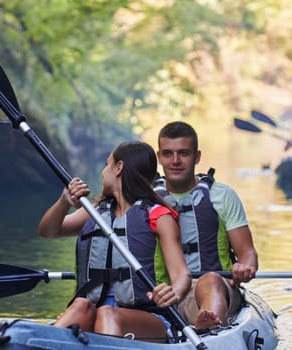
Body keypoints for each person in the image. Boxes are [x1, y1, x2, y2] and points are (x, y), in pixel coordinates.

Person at [38, 140, 191, 343]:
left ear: (118, 168)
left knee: (107, 313)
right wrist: (64, 202)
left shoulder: (158, 216)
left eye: (106, 164)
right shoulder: (96, 212)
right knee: (80, 305)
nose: (103, 172)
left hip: (150, 318)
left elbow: (182, 275)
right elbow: (48, 231)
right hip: (96, 312)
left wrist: (174, 292)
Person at [154, 121, 258, 330]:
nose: (175, 161)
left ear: (197, 156)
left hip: (217, 286)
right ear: (159, 157)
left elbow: (248, 253)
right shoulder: (145, 198)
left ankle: (209, 326)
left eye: (183, 153)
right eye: (168, 154)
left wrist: (245, 266)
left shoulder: (222, 196)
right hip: (164, 293)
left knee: (210, 280)